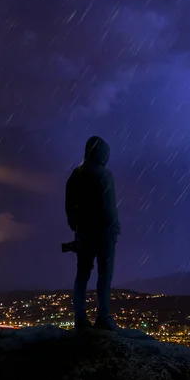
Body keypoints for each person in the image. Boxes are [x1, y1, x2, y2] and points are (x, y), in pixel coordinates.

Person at [65, 136, 121, 330]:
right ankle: (104, 316)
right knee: (105, 275)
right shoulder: (104, 175)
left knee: (82, 275)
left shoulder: (75, 175)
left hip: (83, 232)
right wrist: (115, 226)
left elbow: (69, 206)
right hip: (103, 232)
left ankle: (80, 318)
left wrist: (76, 227)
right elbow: (109, 206)